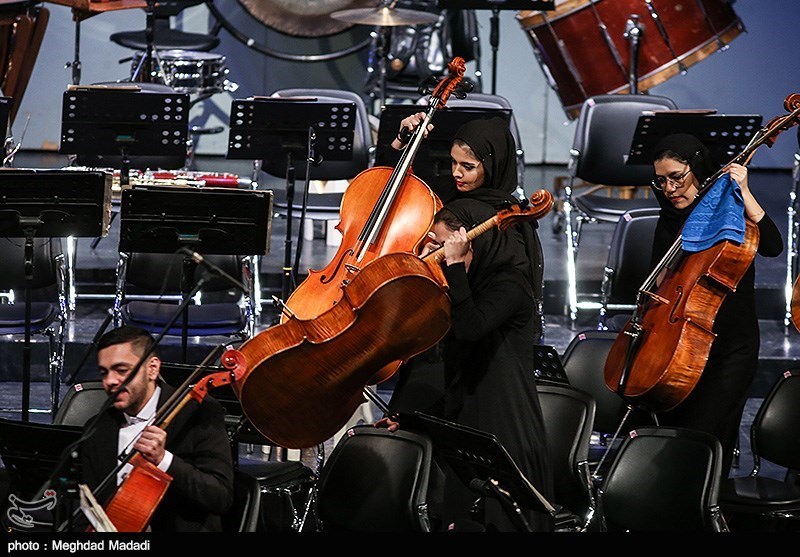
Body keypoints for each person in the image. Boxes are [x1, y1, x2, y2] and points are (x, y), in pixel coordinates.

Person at [379, 201, 555, 533]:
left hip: (507, 436)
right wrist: (412, 419)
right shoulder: (463, 288)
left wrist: (456, 267)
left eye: (445, 248)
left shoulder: (510, 285)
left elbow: (471, 328)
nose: (440, 257)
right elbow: (461, 374)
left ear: (474, 243)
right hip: (470, 435)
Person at [648, 133, 783, 477]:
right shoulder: (669, 219)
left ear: (697, 169)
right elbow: (661, 283)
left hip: (729, 349)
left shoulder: (732, 211)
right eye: (661, 181)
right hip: (682, 345)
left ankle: (708, 502)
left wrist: (745, 192)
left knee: (705, 437)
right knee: (673, 437)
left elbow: (773, 246)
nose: (669, 189)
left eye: (677, 177)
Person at [78, 325, 234, 532]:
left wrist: (164, 460)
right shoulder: (97, 428)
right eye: (104, 372)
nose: (110, 381)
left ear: (152, 368)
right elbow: (89, 506)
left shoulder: (197, 413)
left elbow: (220, 497)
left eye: (121, 371)